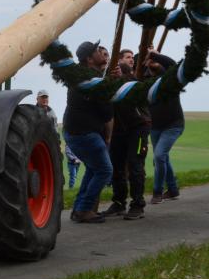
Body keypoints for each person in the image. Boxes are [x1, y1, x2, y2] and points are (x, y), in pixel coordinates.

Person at [62, 40, 119, 223]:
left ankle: (79, 209)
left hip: (75, 132)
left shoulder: (83, 76)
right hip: (84, 134)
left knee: (93, 169)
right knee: (104, 170)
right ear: (89, 59)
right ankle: (85, 209)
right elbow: (107, 113)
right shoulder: (92, 81)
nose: (100, 52)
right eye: (96, 51)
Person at [102, 49, 150, 220]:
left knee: (135, 166)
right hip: (118, 130)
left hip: (138, 128)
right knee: (117, 166)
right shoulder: (109, 85)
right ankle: (119, 202)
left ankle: (138, 205)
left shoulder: (134, 84)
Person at [145, 49, 184, 204]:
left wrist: (154, 55)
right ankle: (173, 190)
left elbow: (173, 65)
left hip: (173, 124)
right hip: (155, 126)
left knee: (159, 156)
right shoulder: (143, 79)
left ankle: (157, 191)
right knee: (163, 158)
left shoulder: (168, 77)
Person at [38, 90, 83, 188]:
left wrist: (57, 143)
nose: (44, 99)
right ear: (37, 99)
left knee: (56, 167)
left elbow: (55, 130)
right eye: (42, 97)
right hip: (38, 143)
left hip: (51, 143)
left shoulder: (52, 113)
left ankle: (55, 187)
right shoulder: (33, 112)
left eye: (46, 97)